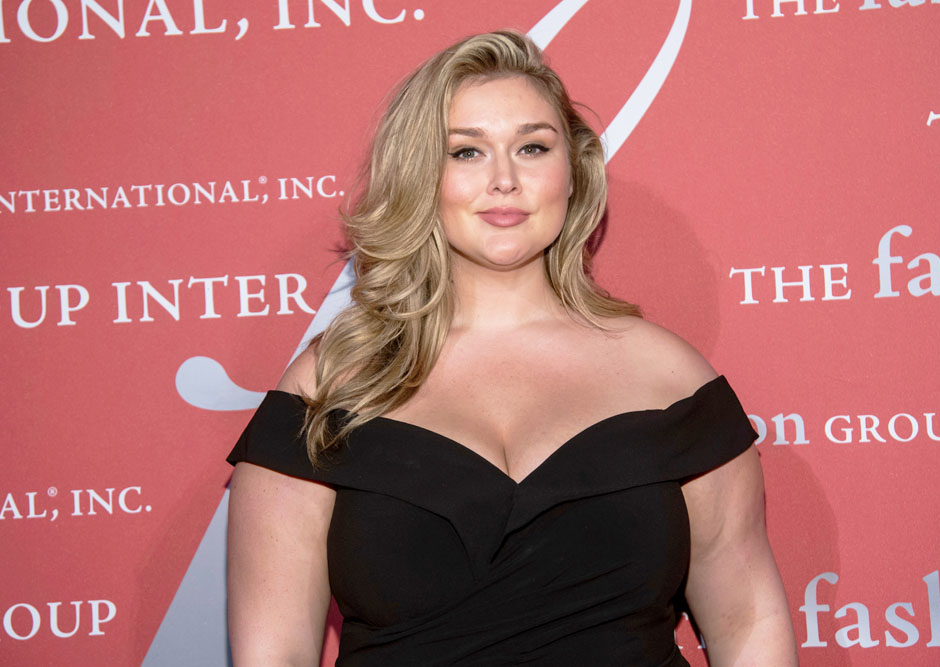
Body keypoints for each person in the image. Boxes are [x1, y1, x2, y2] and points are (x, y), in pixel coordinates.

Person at [226, 30, 797, 666]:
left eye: (531, 147)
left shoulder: (668, 377)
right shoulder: (330, 385)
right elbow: (272, 653)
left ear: (572, 172)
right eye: (465, 153)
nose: (504, 180)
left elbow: (749, 620)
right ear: (419, 175)